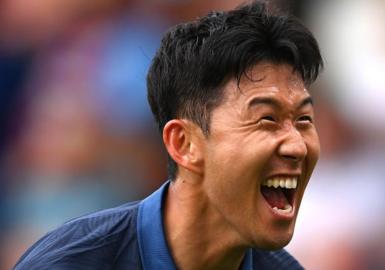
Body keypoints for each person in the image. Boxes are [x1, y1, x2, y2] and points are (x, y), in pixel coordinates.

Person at [14, 1, 323, 269]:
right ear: (183, 143)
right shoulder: (70, 264)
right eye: (267, 119)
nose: (297, 145)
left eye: (304, 119)